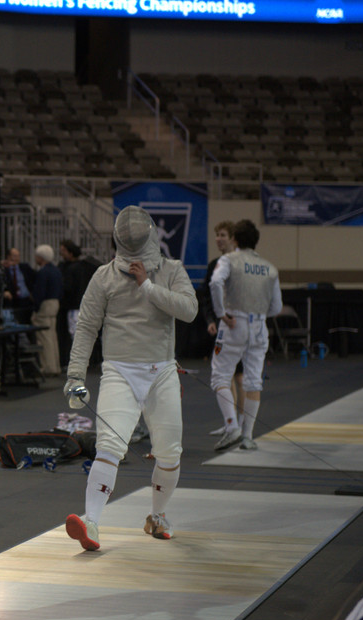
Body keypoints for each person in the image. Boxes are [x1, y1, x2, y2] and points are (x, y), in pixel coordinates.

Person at [64, 206, 197, 551]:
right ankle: (91, 522)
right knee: (109, 446)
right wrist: (75, 375)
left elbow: (189, 310)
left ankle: (158, 516)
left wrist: (148, 287)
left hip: (162, 371)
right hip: (119, 371)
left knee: (169, 452)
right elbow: (87, 328)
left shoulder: (171, 270)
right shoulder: (104, 277)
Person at [209, 219, 282, 451]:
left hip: (234, 324)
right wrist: (259, 314)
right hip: (260, 327)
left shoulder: (229, 260)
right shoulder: (270, 268)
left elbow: (215, 283)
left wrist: (221, 314)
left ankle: (232, 427)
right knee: (253, 381)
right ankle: (248, 436)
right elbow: (277, 308)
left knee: (220, 375)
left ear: (235, 240)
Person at [203, 221, 244, 437]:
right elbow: (207, 296)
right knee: (226, 376)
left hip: (239, 325)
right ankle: (232, 422)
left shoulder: (241, 263)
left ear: (232, 238)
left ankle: (243, 423)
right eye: (216, 234)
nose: (218, 238)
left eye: (223, 235)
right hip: (223, 327)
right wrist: (213, 318)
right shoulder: (213, 265)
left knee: (240, 377)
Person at [57, 240, 95, 368]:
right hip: (82, 305)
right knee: (80, 335)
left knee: (75, 335)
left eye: (63, 251)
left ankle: (78, 362)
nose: (61, 254)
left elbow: (68, 287)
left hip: (73, 306)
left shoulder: (71, 269)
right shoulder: (84, 267)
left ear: (70, 252)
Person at [31, 244, 62, 376]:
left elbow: (40, 293)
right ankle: (55, 366)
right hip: (55, 304)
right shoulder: (56, 270)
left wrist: (35, 308)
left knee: (44, 338)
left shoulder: (43, 272)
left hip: (45, 305)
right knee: (52, 337)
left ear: (40, 257)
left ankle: (48, 367)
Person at [1, 246, 34, 324]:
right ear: (8, 257)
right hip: (13, 300)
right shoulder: (4, 270)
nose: (16, 258)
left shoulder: (25, 267)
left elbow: (33, 279)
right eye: (14, 256)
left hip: (26, 301)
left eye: (18, 256)